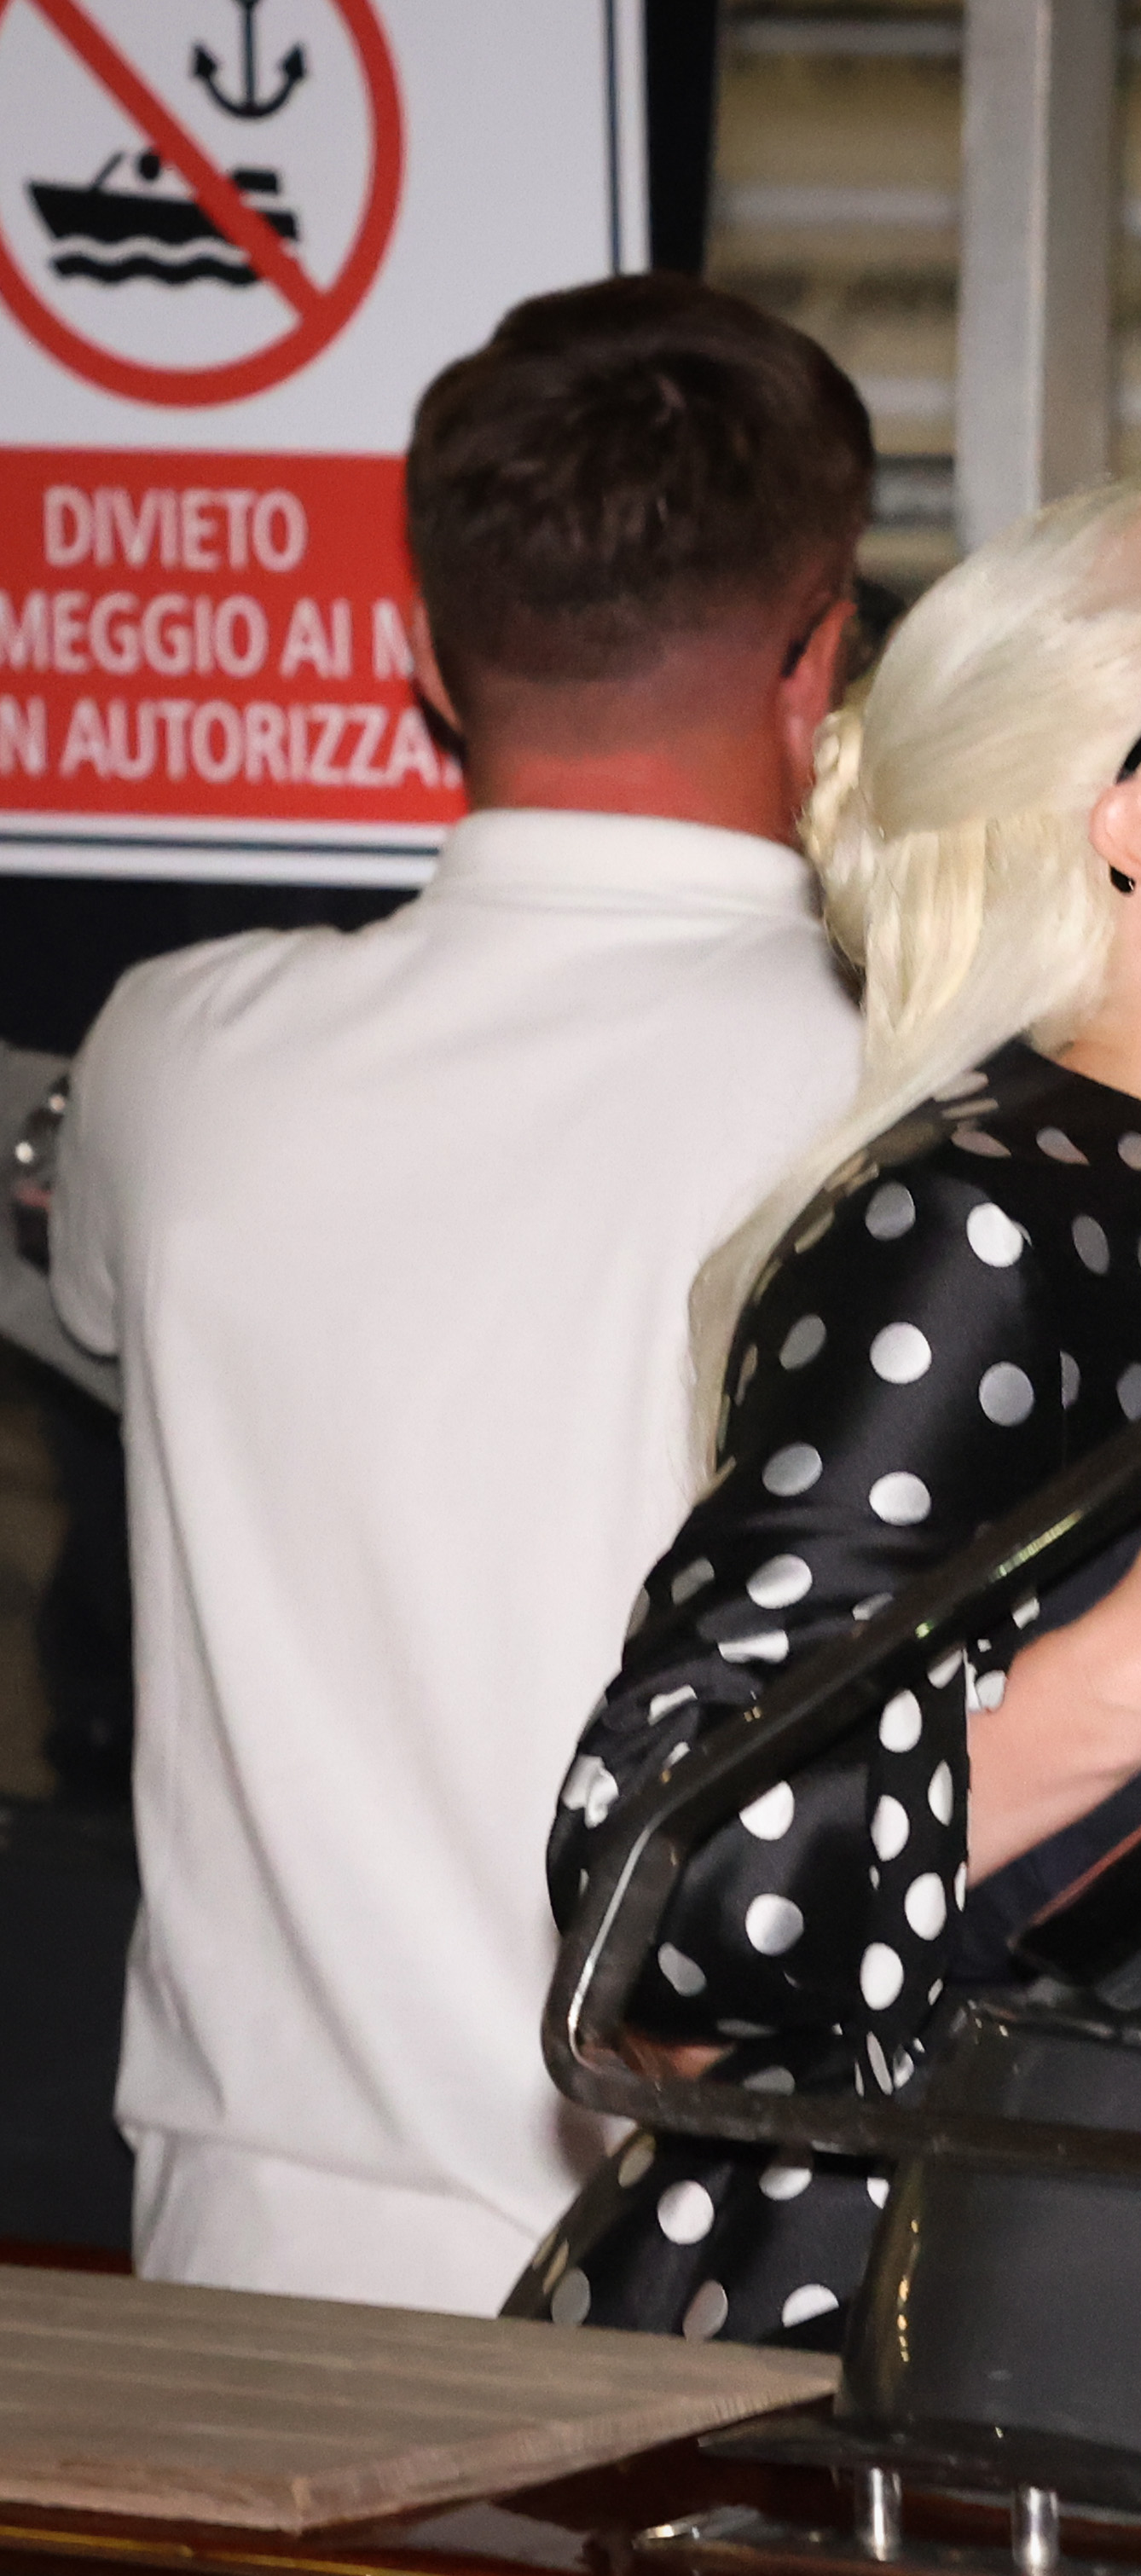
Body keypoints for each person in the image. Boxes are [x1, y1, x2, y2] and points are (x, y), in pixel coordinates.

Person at [514, 478, 1141, 2347]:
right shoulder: (989, 1213)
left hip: (1136, 2356)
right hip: (839, 2419)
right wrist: (1119, 1695)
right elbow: (646, 1885)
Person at [49, 276, 873, 2314]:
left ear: (422, 657)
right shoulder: (914, 1094)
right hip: (711, 2273)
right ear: (823, 661)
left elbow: (97, 1319)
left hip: (250, 2267)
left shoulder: (177, 1051)